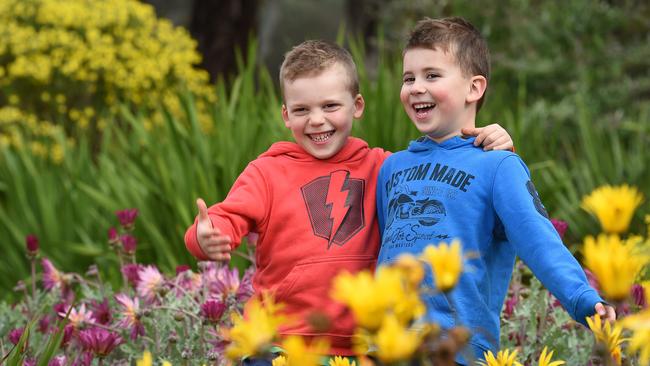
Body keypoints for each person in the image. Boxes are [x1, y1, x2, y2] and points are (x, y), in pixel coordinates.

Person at [184, 40, 513, 362]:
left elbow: (441, 167)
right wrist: (206, 235)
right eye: (302, 110)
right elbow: (224, 217)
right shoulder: (267, 172)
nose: (316, 120)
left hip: (364, 346)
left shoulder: (384, 168)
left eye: (330, 106)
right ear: (286, 115)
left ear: (357, 105)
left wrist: (488, 140)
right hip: (280, 343)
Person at [375, 17, 616, 365]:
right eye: (408, 78)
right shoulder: (391, 169)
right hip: (386, 346)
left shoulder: (498, 165)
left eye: (432, 75)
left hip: (455, 348)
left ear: (474, 88)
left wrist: (582, 298)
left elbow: (538, 238)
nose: (415, 87)